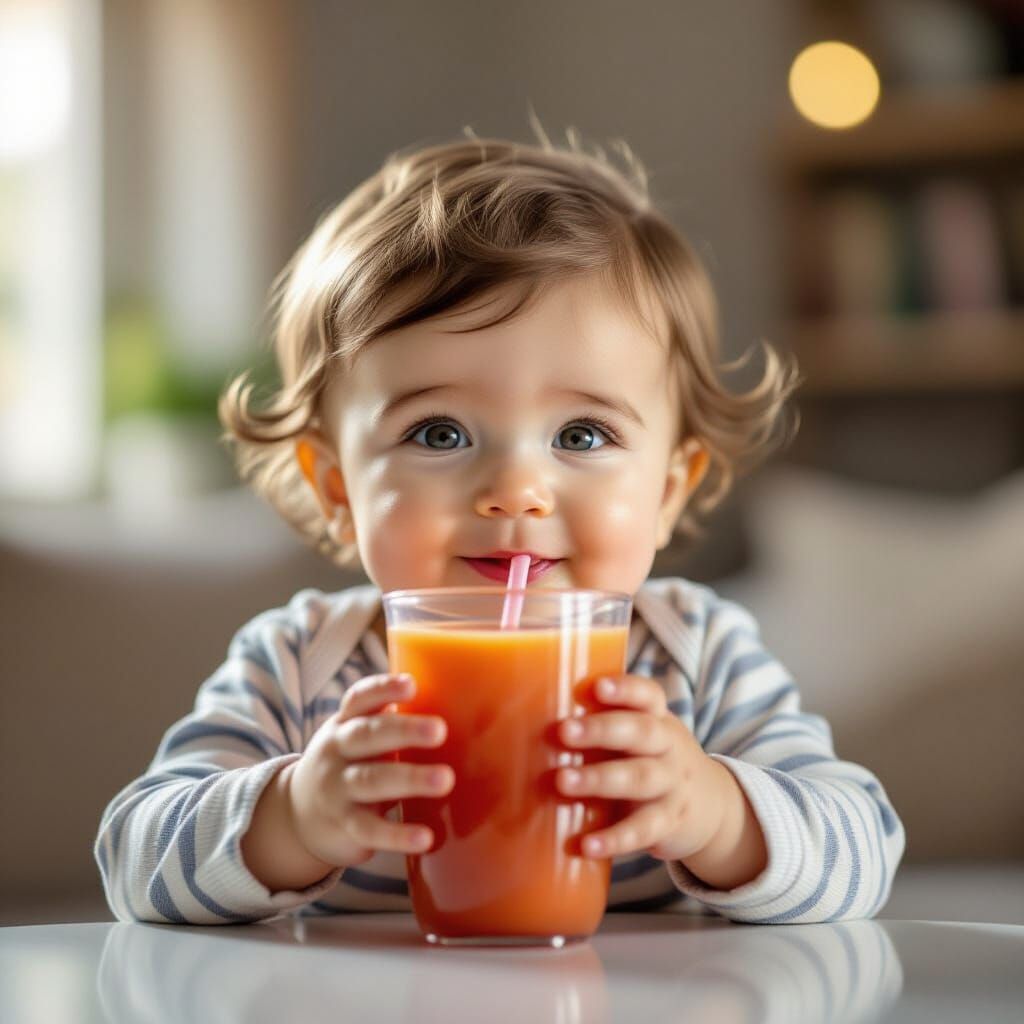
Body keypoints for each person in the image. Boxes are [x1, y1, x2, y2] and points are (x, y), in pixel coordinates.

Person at [94, 127, 905, 926]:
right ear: (337, 487)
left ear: (666, 489)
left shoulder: (698, 661)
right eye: (439, 433)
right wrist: (291, 815)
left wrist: (719, 813)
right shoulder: (303, 673)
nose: (517, 492)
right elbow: (133, 862)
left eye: (581, 436)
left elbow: (864, 848)